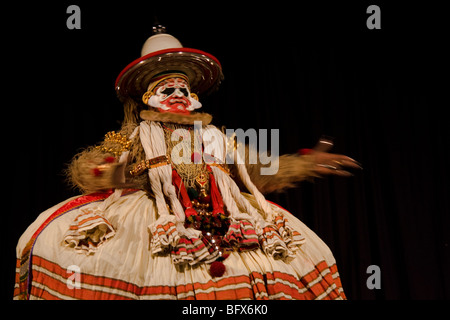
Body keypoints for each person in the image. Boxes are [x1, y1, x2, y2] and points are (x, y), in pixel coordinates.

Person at [13, 26, 360, 300]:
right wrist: (106, 169)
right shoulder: (135, 136)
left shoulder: (217, 138)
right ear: (149, 98)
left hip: (226, 219)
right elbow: (94, 168)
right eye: (168, 89)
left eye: (183, 89)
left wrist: (306, 162)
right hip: (162, 220)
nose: (178, 94)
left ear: (193, 98)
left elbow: (256, 172)